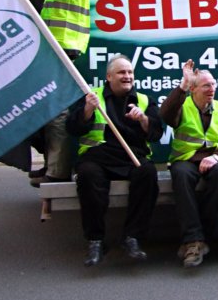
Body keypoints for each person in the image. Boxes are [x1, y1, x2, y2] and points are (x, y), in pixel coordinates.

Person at [65, 54, 163, 267]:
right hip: (97, 156)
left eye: (130, 72)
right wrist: (88, 110)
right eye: (121, 72)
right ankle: (96, 240)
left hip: (131, 157)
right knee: (88, 177)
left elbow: (157, 133)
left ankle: (132, 238)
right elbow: (72, 129)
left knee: (147, 174)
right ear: (109, 76)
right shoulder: (93, 97)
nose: (127, 76)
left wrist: (144, 119)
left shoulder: (144, 100)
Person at [14, 0, 90, 184]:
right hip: (55, 50)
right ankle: (51, 164)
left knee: (57, 112)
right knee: (44, 109)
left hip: (65, 49)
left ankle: (57, 172)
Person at [160, 59, 218, 268]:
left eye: (214, 84)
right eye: (206, 85)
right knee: (182, 176)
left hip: (213, 159)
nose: (212, 89)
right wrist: (182, 85)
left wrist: (216, 157)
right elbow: (165, 115)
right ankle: (194, 240)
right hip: (186, 159)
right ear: (193, 89)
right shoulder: (182, 105)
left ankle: (200, 235)